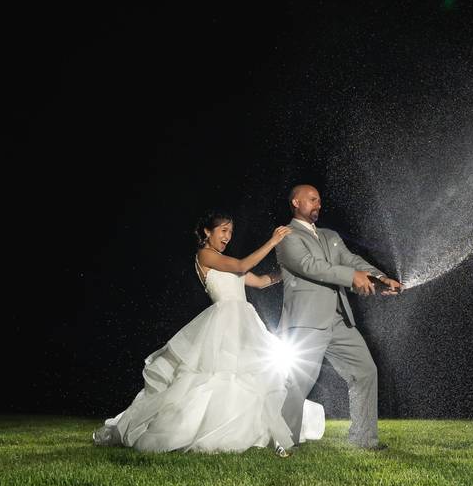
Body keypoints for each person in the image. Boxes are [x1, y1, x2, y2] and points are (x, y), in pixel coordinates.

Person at [93, 210, 324, 455]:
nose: (228, 237)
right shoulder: (205, 255)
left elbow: (260, 281)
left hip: (244, 322)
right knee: (217, 375)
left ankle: (260, 429)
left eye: (231, 232)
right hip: (223, 323)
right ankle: (209, 428)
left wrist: (286, 273)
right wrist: (273, 240)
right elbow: (243, 265)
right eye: (223, 230)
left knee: (254, 375)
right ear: (207, 232)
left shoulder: (226, 261)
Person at [276, 184, 401, 450]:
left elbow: (352, 260)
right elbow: (310, 266)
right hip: (307, 321)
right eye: (311, 199)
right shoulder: (286, 236)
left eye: (319, 200)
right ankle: (283, 441)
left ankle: (364, 439)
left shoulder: (330, 235)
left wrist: (379, 278)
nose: (317, 204)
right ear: (296, 202)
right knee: (299, 382)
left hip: (339, 319)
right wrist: (350, 277)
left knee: (365, 372)